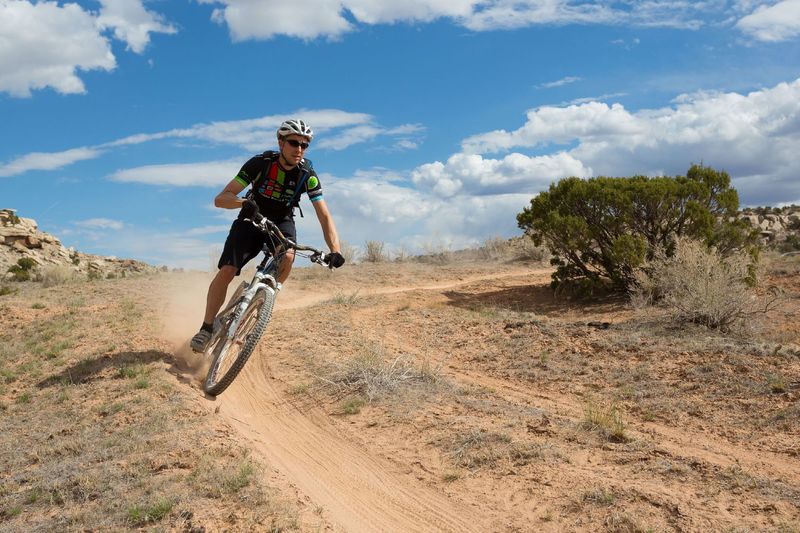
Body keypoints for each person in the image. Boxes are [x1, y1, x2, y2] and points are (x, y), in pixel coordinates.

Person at [191, 119, 345, 352]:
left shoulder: (307, 175)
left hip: (282, 221)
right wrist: (244, 203)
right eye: (294, 143)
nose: (299, 149)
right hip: (251, 217)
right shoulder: (260, 164)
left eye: (305, 145)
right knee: (228, 270)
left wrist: (336, 251)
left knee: (289, 256)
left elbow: (324, 216)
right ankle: (206, 328)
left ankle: (261, 305)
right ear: (281, 143)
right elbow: (221, 198)